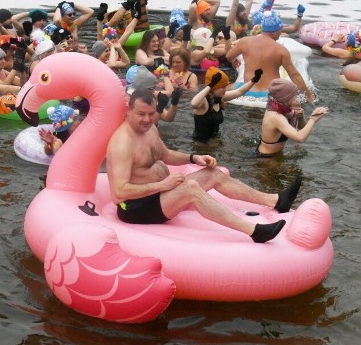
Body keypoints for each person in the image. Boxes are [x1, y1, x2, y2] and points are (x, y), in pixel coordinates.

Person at [107, 88, 300, 243]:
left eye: (151, 114)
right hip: (134, 208)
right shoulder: (122, 143)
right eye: (141, 114)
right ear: (128, 110)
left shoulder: (149, 130)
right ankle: (254, 231)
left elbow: (165, 155)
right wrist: (162, 185)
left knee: (213, 173)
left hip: (157, 195)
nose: (147, 119)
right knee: (191, 188)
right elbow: (120, 191)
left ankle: (275, 200)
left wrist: (193, 158)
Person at [225, 10, 314, 101]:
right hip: (270, 93)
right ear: (274, 31)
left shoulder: (245, 41)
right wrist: (308, 95)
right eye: (280, 29)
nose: (281, 31)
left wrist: (234, 60)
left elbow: (228, 56)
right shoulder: (281, 50)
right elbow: (294, 75)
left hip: (247, 90)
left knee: (224, 88)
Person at [258, 79, 330, 157]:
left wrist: (300, 117)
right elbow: (300, 138)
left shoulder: (283, 108)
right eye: (295, 95)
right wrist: (313, 119)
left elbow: (303, 128)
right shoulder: (276, 116)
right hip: (267, 157)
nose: (298, 97)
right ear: (286, 98)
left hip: (275, 154)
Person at [190, 67, 262, 142]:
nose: (225, 89)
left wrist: (254, 80)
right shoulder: (203, 101)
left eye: (225, 86)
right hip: (201, 145)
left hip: (214, 141)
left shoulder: (220, 98)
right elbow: (193, 104)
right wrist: (210, 85)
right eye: (222, 87)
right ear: (213, 87)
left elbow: (239, 92)